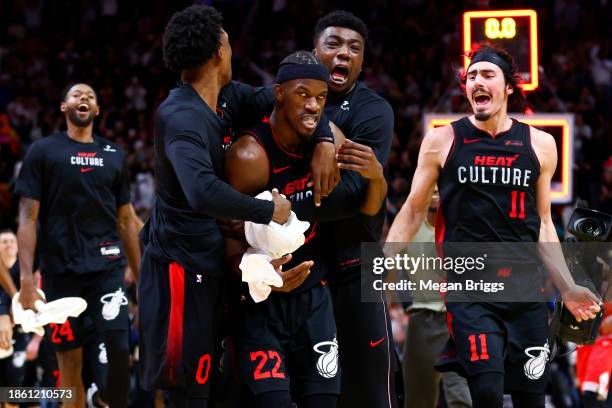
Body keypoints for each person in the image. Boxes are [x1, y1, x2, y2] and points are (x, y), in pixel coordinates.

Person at [137, 6, 339, 407]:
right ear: (217, 53)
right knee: (186, 393)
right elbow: (203, 192)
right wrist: (270, 212)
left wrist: (325, 141)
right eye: (228, 42)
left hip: (216, 270)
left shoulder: (228, 99)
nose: (232, 49)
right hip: (180, 269)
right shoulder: (180, 115)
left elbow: (297, 99)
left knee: (221, 391)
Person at [386, 43, 601, 408]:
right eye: (471, 76)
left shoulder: (541, 144)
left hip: (526, 291)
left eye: (487, 75)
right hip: (470, 289)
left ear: (509, 88)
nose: (476, 82)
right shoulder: (442, 140)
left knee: (531, 398)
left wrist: (567, 287)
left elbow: (544, 226)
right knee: (485, 391)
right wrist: (383, 265)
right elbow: (411, 210)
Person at [224, 50, 387, 408]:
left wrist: (376, 176)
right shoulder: (250, 156)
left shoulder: (331, 140)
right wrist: (259, 273)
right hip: (262, 299)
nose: (313, 105)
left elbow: (368, 207)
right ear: (278, 93)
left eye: (321, 97)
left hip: (314, 295)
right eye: (303, 94)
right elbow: (226, 238)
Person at [14, 83, 142, 408]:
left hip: (106, 269)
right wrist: (27, 280)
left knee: (119, 352)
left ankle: (106, 398)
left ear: (97, 110)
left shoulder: (114, 155)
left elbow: (126, 220)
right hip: (60, 273)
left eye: (90, 96)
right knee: (69, 366)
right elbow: (27, 219)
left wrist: (142, 279)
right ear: (63, 106)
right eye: (76, 95)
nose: (83, 98)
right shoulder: (42, 151)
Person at [310, 11, 398, 407]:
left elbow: (353, 195)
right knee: (316, 389)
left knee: (374, 392)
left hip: (357, 265)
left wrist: (284, 208)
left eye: (354, 48)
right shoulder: (284, 100)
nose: (343, 53)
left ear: (361, 62)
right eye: (334, 44)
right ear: (315, 51)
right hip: (303, 267)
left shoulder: (374, 111)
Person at [399, 191, 472, 408]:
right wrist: (405, 302)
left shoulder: (460, 226)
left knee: (461, 396)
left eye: (438, 190)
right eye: (430, 189)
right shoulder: (409, 224)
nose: (434, 194)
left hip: (456, 320)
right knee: (416, 400)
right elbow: (393, 266)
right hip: (421, 320)